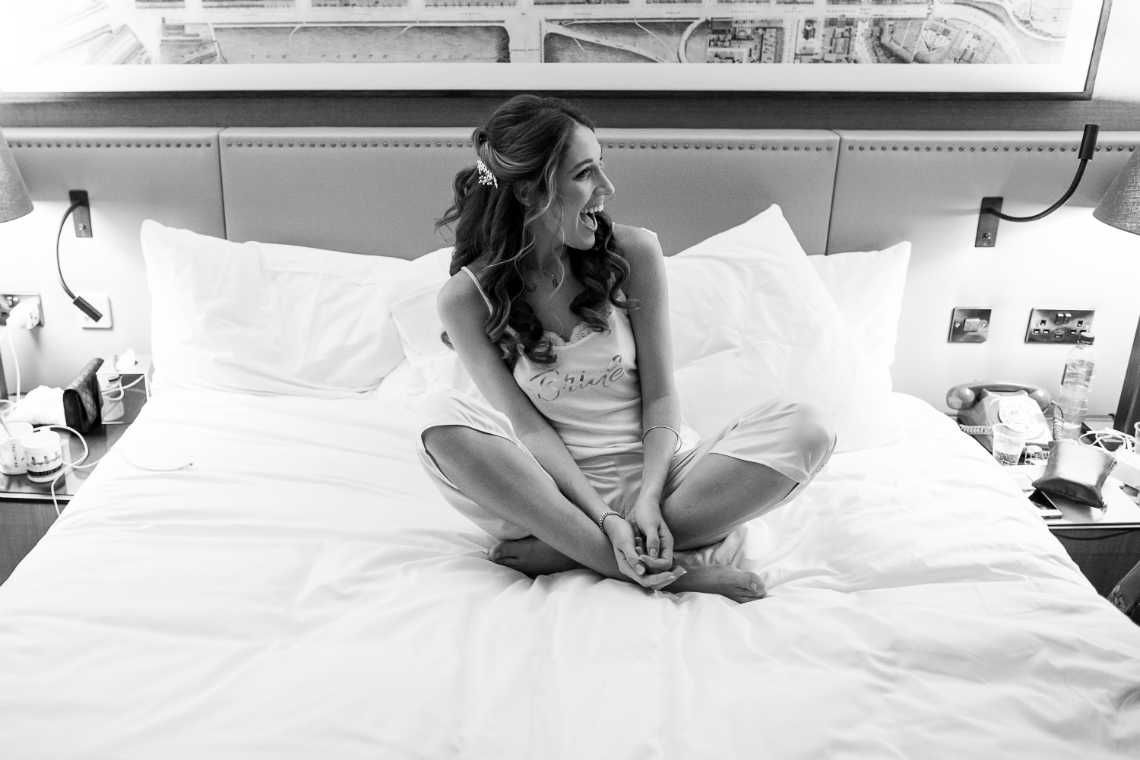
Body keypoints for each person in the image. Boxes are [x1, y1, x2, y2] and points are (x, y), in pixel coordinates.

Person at [417, 94, 835, 603]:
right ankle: (660, 569)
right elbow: (528, 427)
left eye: (602, 165)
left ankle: (571, 553)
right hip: (552, 494)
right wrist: (603, 517)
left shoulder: (634, 252)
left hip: (669, 482)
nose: (607, 188)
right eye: (585, 173)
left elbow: (661, 394)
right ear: (529, 191)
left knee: (807, 427)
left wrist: (649, 499)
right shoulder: (465, 299)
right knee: (438, 420)